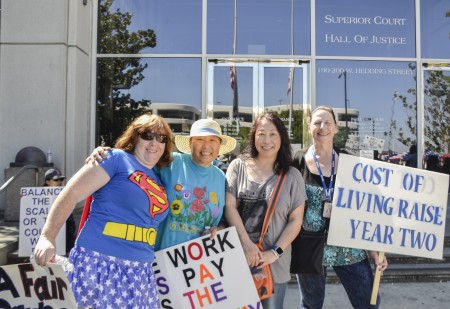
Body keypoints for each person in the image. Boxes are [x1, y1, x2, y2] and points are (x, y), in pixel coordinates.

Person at [34, 113, 173, 308]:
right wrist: (47, 236)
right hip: (101, 264)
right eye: (147, 135)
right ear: (134, 137)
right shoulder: (114, 158)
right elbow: (71, 193)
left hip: (140, 272)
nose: (154, 142)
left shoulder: (159, 176)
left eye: (161, 138)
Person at [88, 118, 238, 250]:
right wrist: (108, 155)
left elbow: (224, 220)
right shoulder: (170, 162)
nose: (206, 146)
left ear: (219, 146)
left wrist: (218, 229)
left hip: (196, 265)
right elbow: (134, 162)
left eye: (212, 140)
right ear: (190, 143)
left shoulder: (221, 178)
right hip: (159, 258)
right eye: (200, 139)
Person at [291, 106, 388, 309]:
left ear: (335, 128)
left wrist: (374, 248)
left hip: (348, 244)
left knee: (368, 302)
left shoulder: (350, 161)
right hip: (309, 245)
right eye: (317, 122)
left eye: (327, 122)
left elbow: (366, 206)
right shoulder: (297, 161)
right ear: (309, 127)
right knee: (310, 305)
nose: (322, 127)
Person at [225, 113, 306, 309]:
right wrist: (247, 245)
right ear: (253, 137)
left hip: (273, 267)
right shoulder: (238, 166)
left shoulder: (292, 176)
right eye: (261, 134)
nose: (266, 140)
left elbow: (296, 220)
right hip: (236, 260)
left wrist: (274, 252)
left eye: (273, 134)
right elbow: (229, 206)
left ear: (281, 139)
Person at [43, 168, 76, 254]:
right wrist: (25, 199)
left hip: (66, 236)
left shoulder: (65, 193)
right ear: (47, 182)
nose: (59, 182)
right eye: (56, 179)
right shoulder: (37, 196)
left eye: (61, 179)